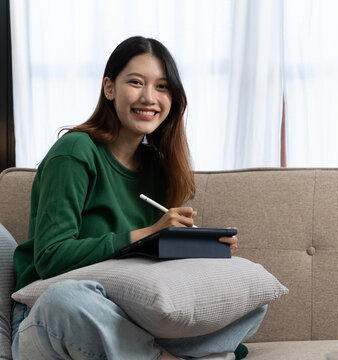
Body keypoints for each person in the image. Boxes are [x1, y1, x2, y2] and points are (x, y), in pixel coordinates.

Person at [11, 36, 267, 360]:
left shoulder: (158, 168)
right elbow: (50, 257)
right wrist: (146, 235)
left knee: (250, 295)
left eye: (162, 87)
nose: (149, 97)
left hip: (125, 319)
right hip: (48, 314)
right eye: (136, 82)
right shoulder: (74, 152)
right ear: (109, 88)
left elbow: (149, 275)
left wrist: (201, 251)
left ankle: (148, 352)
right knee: (66, 299)